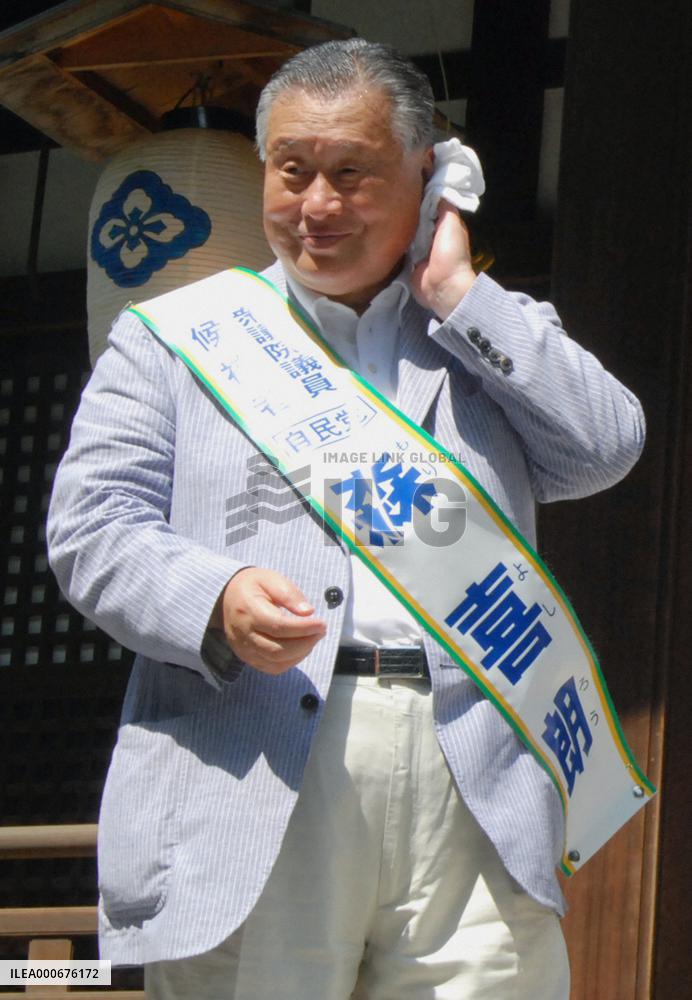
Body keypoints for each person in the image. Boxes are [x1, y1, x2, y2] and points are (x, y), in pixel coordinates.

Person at [47, 38, 645, 999]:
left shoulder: (483, 337)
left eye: (351, 174)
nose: (314, 206)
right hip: (256, 755)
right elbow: (92, 529)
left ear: (429, 176)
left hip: (473, 769)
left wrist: (454, 288)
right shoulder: (174, 339)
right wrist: (217, 593)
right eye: (291, 172)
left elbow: (605, 447)